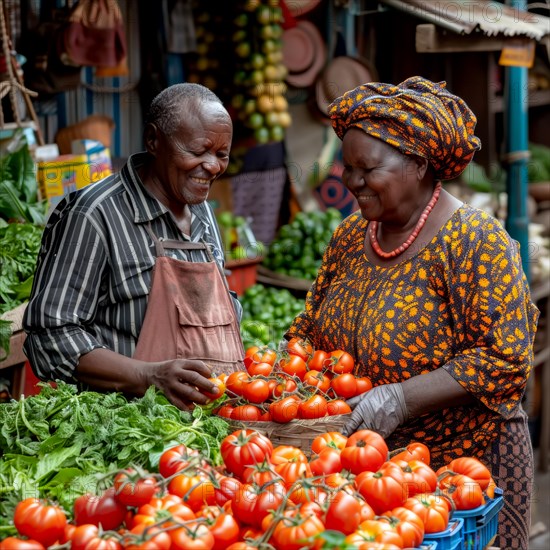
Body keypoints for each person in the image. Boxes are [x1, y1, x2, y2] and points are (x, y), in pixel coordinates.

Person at [285, 76, 539, 550]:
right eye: (347, 167)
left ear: (419, 165)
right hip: (367, 473)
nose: (351, 180)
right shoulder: (350, 236)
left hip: (464, 474)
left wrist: (400, 397)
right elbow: (312, 324)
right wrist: (285, 362)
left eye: (368, 168)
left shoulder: (475, 243)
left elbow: (506, 359)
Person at [23, 83, 245, 410]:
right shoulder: (93, 215)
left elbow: (224, 305)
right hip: (123, 430)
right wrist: (147, 376)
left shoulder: (203, 212)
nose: (212, 166)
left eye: (221, 155)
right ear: (154, 140)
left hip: (206, 427)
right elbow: (49, 337)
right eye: (198, 151)